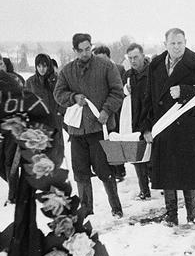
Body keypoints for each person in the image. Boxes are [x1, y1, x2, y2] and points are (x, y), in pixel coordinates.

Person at [141, 28, 195, 225]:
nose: (176, 47)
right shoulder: (155, 65)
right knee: (167, 173)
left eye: (180, 43)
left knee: (187, 173)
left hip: (187, 127)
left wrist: (185, 91)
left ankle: (192, 214)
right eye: (172, 43)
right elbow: (149, 97)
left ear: (185, 42)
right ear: (165, 44)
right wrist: (146, 127)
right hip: (163, 126)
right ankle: (171, 215)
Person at [54, 33, 124, 219]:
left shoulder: (106, 66)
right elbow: (58, 94)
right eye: (81, 50)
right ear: (74, 50)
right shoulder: (67, 71)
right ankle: (86, 210)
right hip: (77, 132)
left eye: (88, 49)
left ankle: (116, 208)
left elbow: (117, 91)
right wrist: (73, 97)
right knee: (81, 173)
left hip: (99, 129)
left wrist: (107, 110)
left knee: (105, 171)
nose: (85, 53)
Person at [93, 45, 127, 182]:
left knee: (115, 139)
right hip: (101, 111)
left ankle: (120, 170)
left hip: (116, 111)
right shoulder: (94, 71)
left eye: (103, 58)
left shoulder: (119, 69)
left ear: (108, 57)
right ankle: (108, 169)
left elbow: (121, 90)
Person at [124, 43, 152, 200]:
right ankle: (144, 190)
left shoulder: (152, 74)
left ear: (143, 56)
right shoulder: (128, 75)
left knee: (153, 155)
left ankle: (159, 184)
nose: (133, 61)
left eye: (135, 57)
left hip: (150, 119)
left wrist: (148, 126)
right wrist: (124, 90)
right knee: (137, 156)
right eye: (130, 58)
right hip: (134, 120)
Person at [25, 53, 64, 132]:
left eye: (44, 66)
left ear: (49, 66)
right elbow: (26, 101)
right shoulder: (30, 82)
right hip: (37, 121)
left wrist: (60, 112)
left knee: (55, 139)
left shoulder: (57, 80)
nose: (41, 69)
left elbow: (63, 97)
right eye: (39, 66)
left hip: (54, 120)